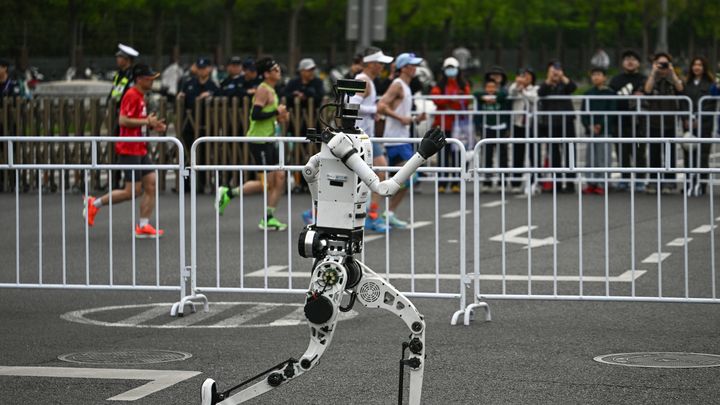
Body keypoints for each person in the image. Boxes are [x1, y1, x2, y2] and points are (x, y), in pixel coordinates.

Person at [84, 64, 167, 238]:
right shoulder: (131, 95)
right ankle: (94, 203)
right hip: (129, 148)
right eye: (149, 78)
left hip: (140, 147)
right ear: (139, 79)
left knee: (151, 183)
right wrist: (147, 122)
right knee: (132, 191)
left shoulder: (141, 96)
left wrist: (152, 126)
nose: (152, 81)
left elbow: (137, 121)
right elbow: (123, 120)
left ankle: (143, 225)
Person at [215, 57, 289, 231]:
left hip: (270, 139)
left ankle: (268, 217)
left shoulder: (272, 89)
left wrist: (280, 117)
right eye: (275, 69)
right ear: (267, 74)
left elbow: (269, 115)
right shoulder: (263, 90)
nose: (279, 71)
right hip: (259, 140)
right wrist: (275, 113)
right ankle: (228, 193)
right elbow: (256, 115)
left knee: (280, 177)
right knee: (266, 184)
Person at [377, 52, 427, 228]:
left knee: (405, 178)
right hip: (395, 141)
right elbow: (381, 106)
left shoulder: (406, 86)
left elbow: (401, 114)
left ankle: (386, 212)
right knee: (408, 177)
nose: (415, 68)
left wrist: (415, 119)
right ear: (404, 67)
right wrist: (400, 118)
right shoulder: (397, 84)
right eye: (412, 65)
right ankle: (378, 211)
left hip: (402, 139)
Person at [347, 47, 394, 231]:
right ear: (371, 64)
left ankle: (370, 214)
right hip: (359, 136)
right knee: (377, 173)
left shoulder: (367, 80)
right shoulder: (363, 80)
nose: (382, 67)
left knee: (371, 174)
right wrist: (375, 110)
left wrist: (374, 113)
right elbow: (351, 106)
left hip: (366, 136)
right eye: (380, 63)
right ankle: (371, 216)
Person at [430, 57, 471, 193]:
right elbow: (436, 99)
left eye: (452, 68)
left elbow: (466, 99)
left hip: (458, 126)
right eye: (448, 68)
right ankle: (442, 183)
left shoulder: (463, 84)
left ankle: (456, 183)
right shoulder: (440, 85)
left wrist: (448, 100)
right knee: (443, 155)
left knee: (457, 155)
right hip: (443, 125)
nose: (451, 71)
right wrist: (453, 98)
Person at [643, 52, 683, 193]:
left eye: (665, 63)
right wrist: (653, 72)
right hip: (654, 121)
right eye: (660, 63)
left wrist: (672, 73)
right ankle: (654, 181)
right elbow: (647, 90)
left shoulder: (673, 79)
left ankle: (669, 182)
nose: (662, 67)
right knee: (654, 152)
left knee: (670, 153)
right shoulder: (652, 78)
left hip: (670, 121)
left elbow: (681, 89)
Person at [608, 50, 648, 191]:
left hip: (638, 123)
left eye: (633, 59)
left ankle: (640, 181)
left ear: (639, 63)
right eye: (627, 59)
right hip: (620, 122)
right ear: (622, 62)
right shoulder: (615, 80)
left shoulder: (644, 79)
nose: (630, 62)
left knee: (639, 153)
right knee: (622, 152)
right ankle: (624, 179)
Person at [178, 57, 219, 192]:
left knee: (204, 155)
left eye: (204, 68)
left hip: (205, 125)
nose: (202, 71)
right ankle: (185, 184)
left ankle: (202, 183)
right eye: (199, 68)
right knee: (186, 154)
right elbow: (181, 98)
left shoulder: (213, 86)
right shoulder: (188, 83)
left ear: (209, 69)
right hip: (188, 125)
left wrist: (210, 95)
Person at [538, 60, 578, 192]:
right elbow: (541, 92)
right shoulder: (546, 85)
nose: (555, 73)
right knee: (554, 153)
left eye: (557, 70)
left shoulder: (564, 84)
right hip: (551, 123)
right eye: (552, 70)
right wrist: (549, 80)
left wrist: (562, 77)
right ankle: (557, 183)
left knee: (570, 152)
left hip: (567, 122)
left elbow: (573, 88)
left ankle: (571, 183)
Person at [682, 56, 718, 196]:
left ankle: (701, 184)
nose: (697, 67)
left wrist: (700, 119)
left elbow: (710, 104)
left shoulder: (711, 84)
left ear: (704, 67)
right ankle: (689, 183)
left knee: (703, 155)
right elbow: (683, 102)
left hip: (704, 125)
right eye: (695, 64)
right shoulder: (687, 83)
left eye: (700, 65)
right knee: (688, 154)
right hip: (688, 125)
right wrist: (686, 118)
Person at [581, 68, 616, 195]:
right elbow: (583, 113)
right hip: (591, 132)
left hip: (605, 131)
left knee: (603, 158)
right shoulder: (588, 93)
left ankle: (603, 183)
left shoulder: (610, 93)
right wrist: (588, 125)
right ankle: (591, 183)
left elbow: (612, 112)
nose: (596, 77)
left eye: (599, 74)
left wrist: (600, 125)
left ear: (604, 77)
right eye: (594, 74)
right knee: (590, 158)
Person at [507, 67, 539, 193]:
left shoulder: (535, 88)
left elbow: (533, 98)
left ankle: (534, 181)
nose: (525, 77)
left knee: (533, 154)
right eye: (523, 75)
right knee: (517, 153)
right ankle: (516, 182)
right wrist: (517, 84)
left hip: (532, 125)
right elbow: (511, 93)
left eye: (527, 75)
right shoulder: (516, 86)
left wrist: (523, 90)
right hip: (518, 124)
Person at [474, 79, 509, 189]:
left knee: (502, 156)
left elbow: (505, 94)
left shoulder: (501, 96)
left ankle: (502, 181)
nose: (491, 89)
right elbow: (475, 94)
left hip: (500, 128)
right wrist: (484, 98)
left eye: (493, 87)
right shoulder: (482, 97)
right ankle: (487, 182)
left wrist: (495, 98)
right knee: (487, 155)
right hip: (487, 129)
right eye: (488, 87)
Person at [284, 57, 325, 133]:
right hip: (295, 119)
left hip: (314, 119)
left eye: (312, 70)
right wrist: (295, 95)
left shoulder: (318, 82)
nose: (311, 72)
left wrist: (306, 95)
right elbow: (285, 95)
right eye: (309, 70)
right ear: (301, 71)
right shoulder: (293, 83)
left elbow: (320, 96)